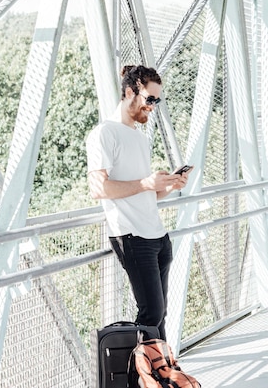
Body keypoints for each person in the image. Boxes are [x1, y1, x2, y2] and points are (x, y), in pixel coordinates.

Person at [86, 65, 191, 340]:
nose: (153, 106)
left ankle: (162, 376)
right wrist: (147, 183)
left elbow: (144, 193)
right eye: (150, 99)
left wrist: (167, 185)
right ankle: (140, 377)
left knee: (161, 315)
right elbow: (99, 189)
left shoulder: (139, 138)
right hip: (132, 237)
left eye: (157, 100)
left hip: (157, 236)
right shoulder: (104, 133)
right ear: (130, 91)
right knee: (151, 315)